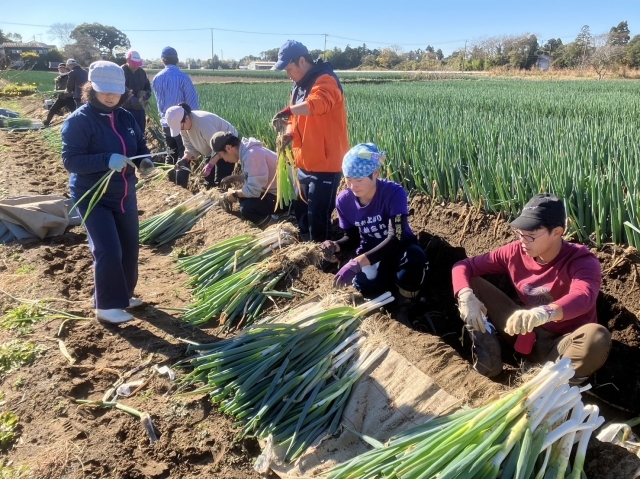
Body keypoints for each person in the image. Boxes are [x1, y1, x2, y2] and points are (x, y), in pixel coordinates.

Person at [452, 194, 611, 381]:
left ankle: (551, 382)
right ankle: (489, 359)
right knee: (471, 283)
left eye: (531, 236)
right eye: (519, 233)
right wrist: (465, 295)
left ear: (557, 232)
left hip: (562, 345)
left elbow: (584, 296)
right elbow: (464, 266)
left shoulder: (581, 261)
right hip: (522, 330)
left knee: (597, 337)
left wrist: (545, 312)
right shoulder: (515, 252)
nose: (523, 241)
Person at [61, 61, 155, 324]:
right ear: (91, 88)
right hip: (93, 195)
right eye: (105, 91)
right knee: (107, 249)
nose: (112, 96)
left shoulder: (125, 116)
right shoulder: (78, 121)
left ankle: (123, 296)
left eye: (116, 90)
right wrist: (106, 159)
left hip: (124, 193)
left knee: (129, 247)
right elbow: (71, 160)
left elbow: (138, 145)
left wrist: (144, 161)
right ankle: (106, 306)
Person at [326, 143, 428, 321]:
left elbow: (396, 238)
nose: (353, 186)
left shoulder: (394, 193)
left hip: (400, 248)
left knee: (415, 260)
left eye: (359, 180)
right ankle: (386, 300)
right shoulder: (344, 201)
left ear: (375, 174)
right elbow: (352, 237)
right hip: (371, 251)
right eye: (348, 179)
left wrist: (357, 262)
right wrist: (336, 246)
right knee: (369, 287)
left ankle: (404, 305)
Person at [270, 40, 348, 242]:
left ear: (302, 61)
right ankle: (305, 247)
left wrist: (287, 111)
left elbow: (317, 104)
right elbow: (294, 119)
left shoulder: (325, 80)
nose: (288, 74)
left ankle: (323, 259)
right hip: (303, 162)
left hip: (326, 164)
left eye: (289, 68)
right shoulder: (297, 87)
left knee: (318, 217)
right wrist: (288, 133)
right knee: (302, 211)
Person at [210, 131, 282, 226]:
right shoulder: (247, 151)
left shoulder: (252, 155)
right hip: (274, 191)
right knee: (243, 199)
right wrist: (234, 178)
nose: (224, 159)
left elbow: (253, 191)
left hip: (284, 197)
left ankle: (274, 224)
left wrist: (234, 194)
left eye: (221, 155)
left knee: (247, 209)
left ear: (228, 148)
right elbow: (255, 177)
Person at [151, 46, 199, 187]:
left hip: (166, 122)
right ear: (177, 60)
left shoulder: (156, 78)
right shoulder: (183, 78)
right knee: (183, 154)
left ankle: (169, 183)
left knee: (170, 152)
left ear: (163, 61)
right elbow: (192, 103)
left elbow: (159, 103)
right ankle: (181, 187)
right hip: (182, 124)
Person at [164, 103, 238, 187]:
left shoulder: (203, 123)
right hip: (212, 149)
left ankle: (225, 197)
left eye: (180, 127)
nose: (181, 130)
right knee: (208, 180)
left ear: (187, 118)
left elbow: (218, 147)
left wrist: (210, 165)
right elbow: (189, 147)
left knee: (220, 181)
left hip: (226, 147)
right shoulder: (183, 128)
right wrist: (184, 160)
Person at [121, 49, 151, 132]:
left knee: (140, 132)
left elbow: (147, 86)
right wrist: (131, 98)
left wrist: (146, 95)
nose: (136, 66)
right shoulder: (121, 71)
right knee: (127, 133)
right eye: (134, 63)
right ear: (127, 60)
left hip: (140, 109)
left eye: (137, 64)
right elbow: (120, 87)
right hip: (125, 109)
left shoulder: (141, 72)